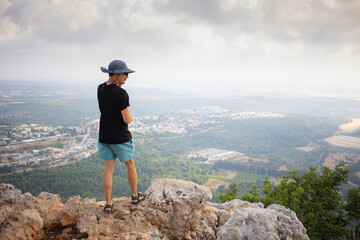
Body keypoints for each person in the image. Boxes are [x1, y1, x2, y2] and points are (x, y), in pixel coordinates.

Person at [97, 59, 145, 214]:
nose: (127, 77)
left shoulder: (100, 88)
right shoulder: (121, 93)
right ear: (116, 74)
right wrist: (131, 118)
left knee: (108, 169)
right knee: (130, 164)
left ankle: (109, 203)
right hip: (120, 138)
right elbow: (127, 119)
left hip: (104, 136)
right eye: (125, 73)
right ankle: (135, 196)